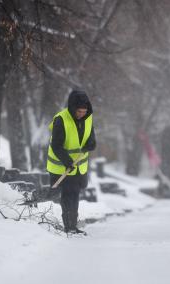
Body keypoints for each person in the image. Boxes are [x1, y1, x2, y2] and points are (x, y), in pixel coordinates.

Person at [46, 90, 96, 234]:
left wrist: (91, 144)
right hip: (61, 166)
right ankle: (69, 227)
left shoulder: (87, 118)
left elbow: (90, 136)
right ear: (73, 108)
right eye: (79, 111)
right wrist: (67, 161)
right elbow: (56, 145)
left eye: (84, 111)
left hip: (79, 166)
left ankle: (72, 226)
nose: (82, 114)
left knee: (75, 195)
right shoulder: (61, 119)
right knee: (68, 195)